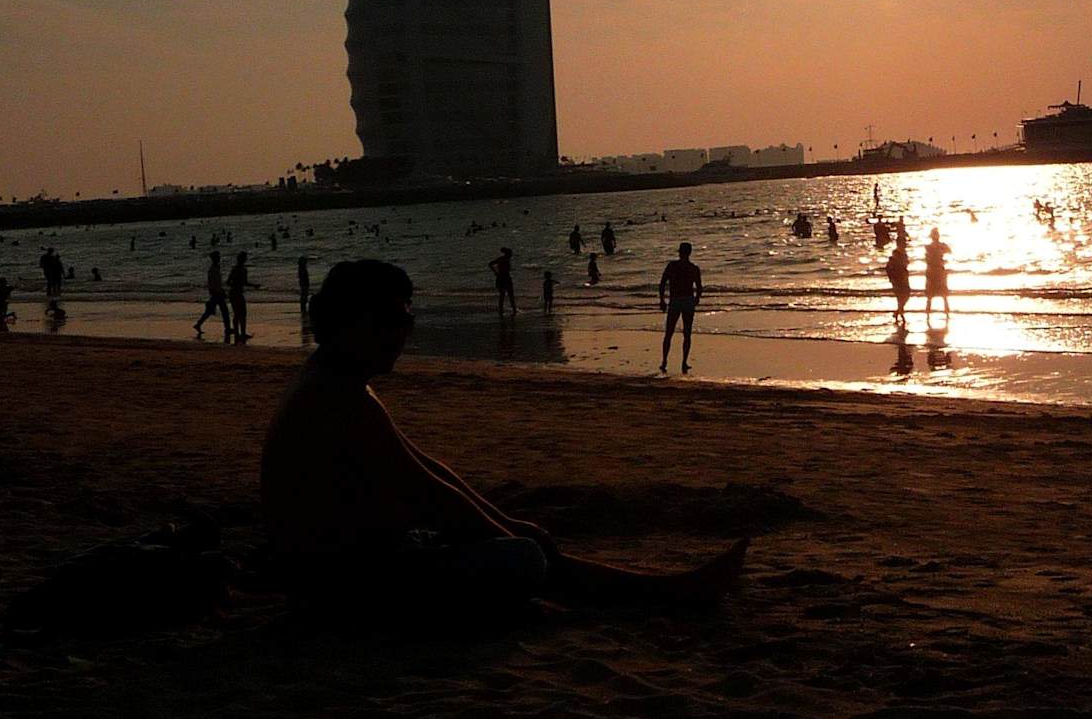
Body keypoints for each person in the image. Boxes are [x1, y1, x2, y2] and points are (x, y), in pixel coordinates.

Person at [260, 260, 746, 625]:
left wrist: (508, 524)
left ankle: (660, 589)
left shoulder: (337, 383)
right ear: (349, 322)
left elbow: (425, 467)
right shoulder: (338, 399)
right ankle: (657, 594)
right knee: (522, 559)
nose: (401, 335)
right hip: (339, 585)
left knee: (522, 547)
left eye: (407, 321)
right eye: (389, 321)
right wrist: (507, 535)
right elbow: (427, 494)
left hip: (348, 565)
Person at [657, 242, 702, 373]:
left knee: (669, 332)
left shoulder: (672, 266)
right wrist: (696, 299)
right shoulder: (693, 268)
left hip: (675, 300)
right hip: (687, 300)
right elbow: (699, 287)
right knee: (687, 333)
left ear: (679, 252)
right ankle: (684, 362)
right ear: (690, 252)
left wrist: (662, 299)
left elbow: (662, 283)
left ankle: (664, 361)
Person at [195, 250, 231, 340]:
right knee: (224, 311)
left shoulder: (215, 268)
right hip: (216, 293)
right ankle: (227, 328)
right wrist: (221, 292)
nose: (219, 258)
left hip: (216, 292)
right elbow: (214, 283)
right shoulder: (213, 270)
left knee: (210, 311)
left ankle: (199, 324)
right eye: (218, 257)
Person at [227, 250, 256, 342]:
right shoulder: (241, 270)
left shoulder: (237, 269)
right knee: (240, 313)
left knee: (239, 313)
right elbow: (243, 282)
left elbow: (229, 282)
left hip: (235, 293)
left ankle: (240, 333)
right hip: (236, 293)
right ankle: (240, 333)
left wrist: (253, 285)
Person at [922, 228, 951, 319]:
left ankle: (928, 315)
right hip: (938, 270)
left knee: (931, 295)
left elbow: (927, 259)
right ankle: (946, 314)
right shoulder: (940, 246)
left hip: (932, 271)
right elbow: (949, 251)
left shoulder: (928, 247)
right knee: (943, 295)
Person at [885, 235, 911, 325]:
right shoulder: (896, 254)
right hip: (898, 278)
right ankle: (901, 315)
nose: (904, 244)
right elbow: (890, 267)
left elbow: (905, 264)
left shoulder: (903, 253)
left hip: (904, 277)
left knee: (906, 295)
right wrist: (892, 279)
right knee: (901, 297)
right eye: (903, 243)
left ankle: (897, 312)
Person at [490, 248, 517, 315]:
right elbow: (490, 264)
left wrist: (496, 272)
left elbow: (491, 264)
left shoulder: (502, 259)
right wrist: (495, 272)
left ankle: (503, 310)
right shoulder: (503, 259)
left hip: (502, 278)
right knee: (509, 295)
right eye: (510, 254)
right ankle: (513, 310)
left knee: (504, 295)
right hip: (504, 278)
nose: (511, 255)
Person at [296, 255, 312, 324]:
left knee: (304, 295)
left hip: (304, 283)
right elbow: (303, 277)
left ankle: (303, 308)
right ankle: (303, 308)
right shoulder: (302, 269)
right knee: (304, 295)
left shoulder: (301, 268)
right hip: (304, 283)